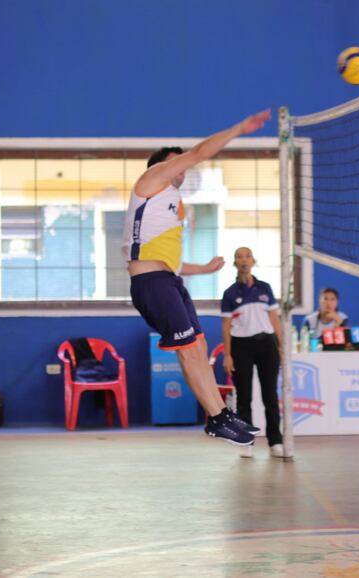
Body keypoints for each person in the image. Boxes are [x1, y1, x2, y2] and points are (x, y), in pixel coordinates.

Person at [122, 110, 272, 447]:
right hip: (153, 284)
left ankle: (221, 413)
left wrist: (203, 269)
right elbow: (201, 152)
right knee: (189, 349)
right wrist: (237, 128)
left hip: (168, 280)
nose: (183, 167)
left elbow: (165, 258)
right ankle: (217, 418)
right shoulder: (152, 181)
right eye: (177, 163)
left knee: (199, 346)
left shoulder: (171, 206)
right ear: (159, 166)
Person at [221, 247, 285, 458]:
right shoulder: (230, 293)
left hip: (266, 344)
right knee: (244, 397)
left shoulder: (264, 288)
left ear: (253, 261)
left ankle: (275, 441)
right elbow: (226, 326)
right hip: (241, 347)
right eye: (239, 256)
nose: (244, 260)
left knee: (270, 396)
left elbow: (275, 319)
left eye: (247, 256)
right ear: (235, 263)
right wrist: (228, 355)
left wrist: (281, 346)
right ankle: (246, 441)